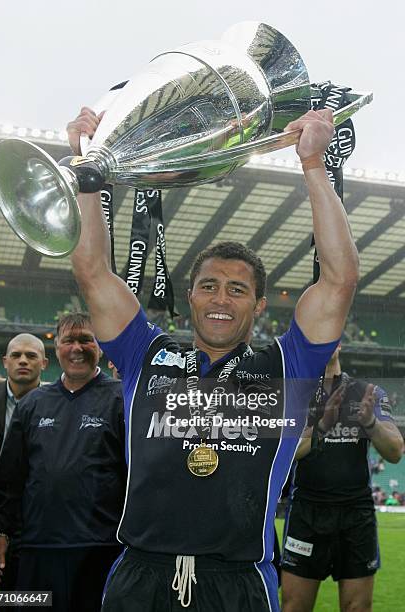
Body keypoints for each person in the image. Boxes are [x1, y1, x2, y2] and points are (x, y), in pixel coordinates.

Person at [66, 106, 359, 612]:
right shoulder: (146, 355)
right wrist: (88, 172)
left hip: (238, 583)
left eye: (237, 290)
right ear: (193, 296)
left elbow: (339, 281)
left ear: (258, 305)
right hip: (140, 577)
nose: (221, 299)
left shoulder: (286, 367)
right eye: (209, 286)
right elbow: (93, 273)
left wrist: (313, 164)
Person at [0, 313, 127, 612]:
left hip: (101, 552)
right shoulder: (32, 404)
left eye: (86, 340)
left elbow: (135, 477)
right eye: (68, 341)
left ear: (100, 346)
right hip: (37, 551)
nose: (77, 347)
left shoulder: (121, 401)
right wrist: (0, 532)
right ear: (56, 349)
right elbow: (10, 478)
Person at [281, 345, 404, 612]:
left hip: (355, 515)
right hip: (307, 512)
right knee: (293, 607)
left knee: (358, 608)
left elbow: (395, 451)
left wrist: (370, 422)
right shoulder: (296, 394)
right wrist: (323, 425)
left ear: (339, 344)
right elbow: (285, 454)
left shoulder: (366, 392)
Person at [0, 333, 48, 607]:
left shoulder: (54, 403)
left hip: (26, 523)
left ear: (44, 363)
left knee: (21, 600)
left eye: (31, 355)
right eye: (16, 355)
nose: (23, 360)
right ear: (5, 362)